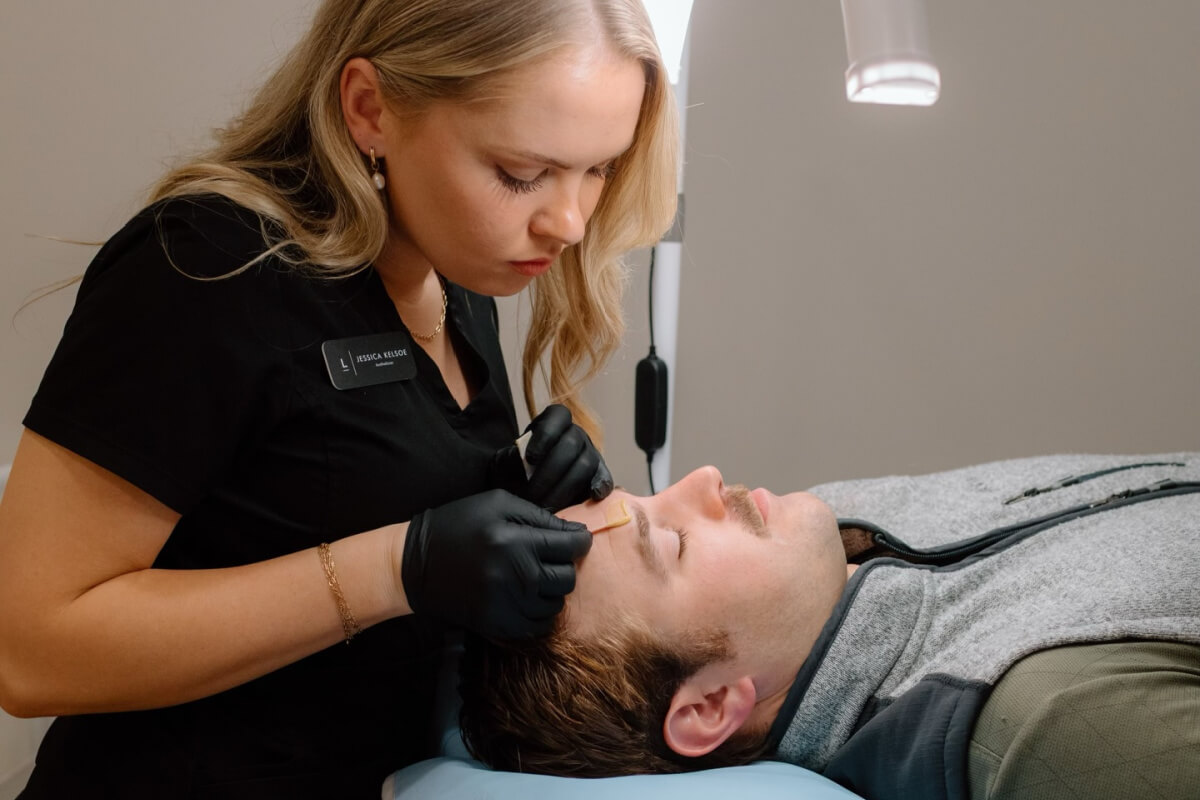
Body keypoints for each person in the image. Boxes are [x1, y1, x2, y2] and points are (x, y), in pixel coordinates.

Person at [0, 1, 678, 796]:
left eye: (598, 168)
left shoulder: (456, 287)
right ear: (370, 109)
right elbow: (30, 651)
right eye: (520, 173)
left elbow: (330, 491)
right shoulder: (207, 268)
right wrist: (396, 565)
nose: (566, 222)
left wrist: (519, 501)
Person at [458, 455, 1200, 800]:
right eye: (674, 543)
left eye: (654, 497)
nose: (705, 480)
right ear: (712, 705)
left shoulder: (820, 538)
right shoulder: (1047, 722)